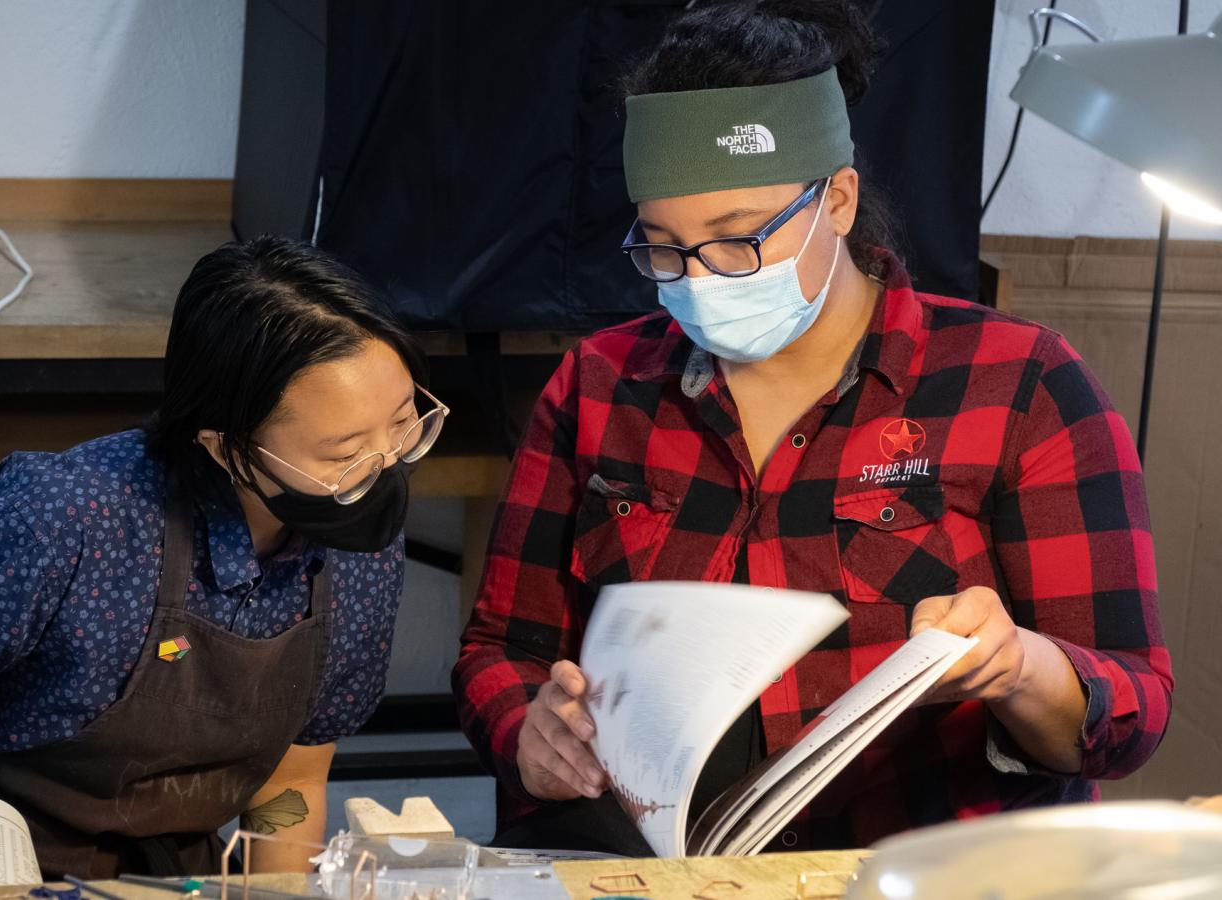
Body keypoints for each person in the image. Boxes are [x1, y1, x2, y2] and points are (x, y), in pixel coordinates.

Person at [453, 0, 1171, 854]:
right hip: (640, 868)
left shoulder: (1017, 383)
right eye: (663, 247)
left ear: (835, 199)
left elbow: (1133, 709)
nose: (700, 280)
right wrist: (526, 730)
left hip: (907, 866)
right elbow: (500, 648)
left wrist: (1019, 666)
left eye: (735, 241)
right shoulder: (601, 384)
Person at [0, 236, 450, 885]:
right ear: (223, 447)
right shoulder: (62, 525)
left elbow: (293, 776)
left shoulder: (357, 537)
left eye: (403, 423)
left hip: (161, 874)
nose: (386, 469)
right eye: (342, 455)